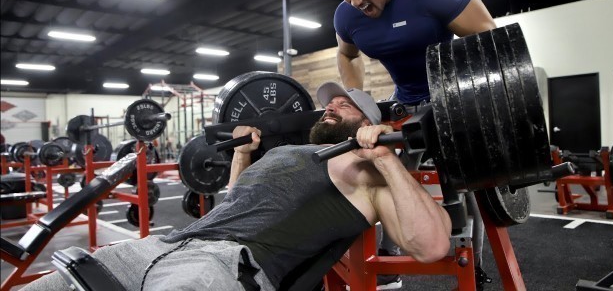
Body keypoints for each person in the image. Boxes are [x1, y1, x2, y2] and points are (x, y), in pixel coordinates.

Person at [22, 81, 452, 291]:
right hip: (165, 245)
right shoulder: (290, 153)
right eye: (329, 103)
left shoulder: (371, 176)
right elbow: (235, 200)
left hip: (225, 266)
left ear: (370, 123)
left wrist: (387, 159)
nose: (329, 108)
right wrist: (244, 154)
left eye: (344, 105)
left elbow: (431, 246)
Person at [332, 0, 497, 289]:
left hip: (450, 100)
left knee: (465, 186)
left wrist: (468, 104)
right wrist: (359, 101)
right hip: (403, 105)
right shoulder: (347, 16)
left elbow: (488, 36)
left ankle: (474, 266)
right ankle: (389, 264)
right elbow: (347, 55)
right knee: (390, 176)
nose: (355, 2)